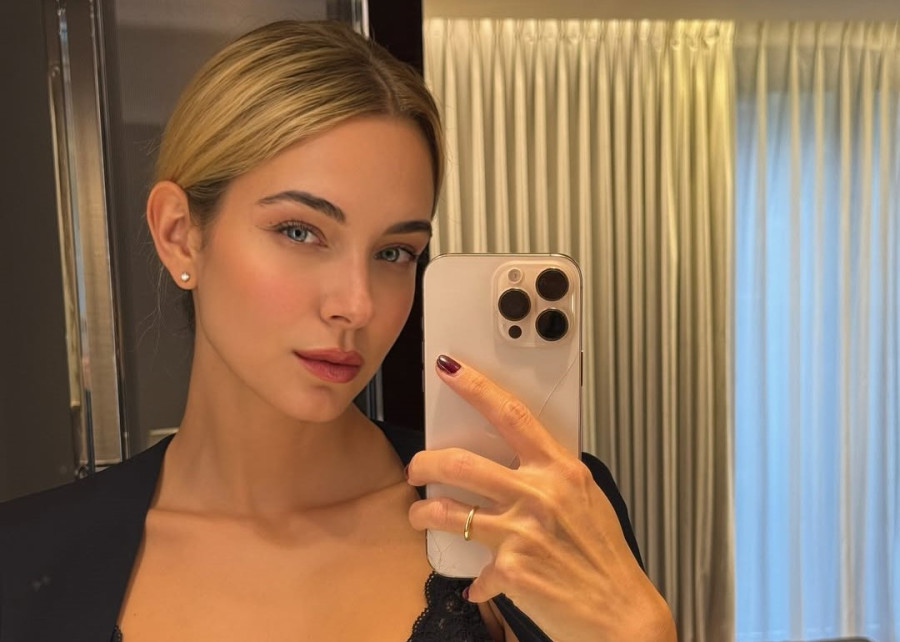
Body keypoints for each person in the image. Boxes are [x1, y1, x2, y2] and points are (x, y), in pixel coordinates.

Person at [0, 20, 676, 641]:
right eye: (300, 232)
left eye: (395, 252)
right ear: (180, 235)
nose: (357, 305)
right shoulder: (23, 558)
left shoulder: (527, 515)